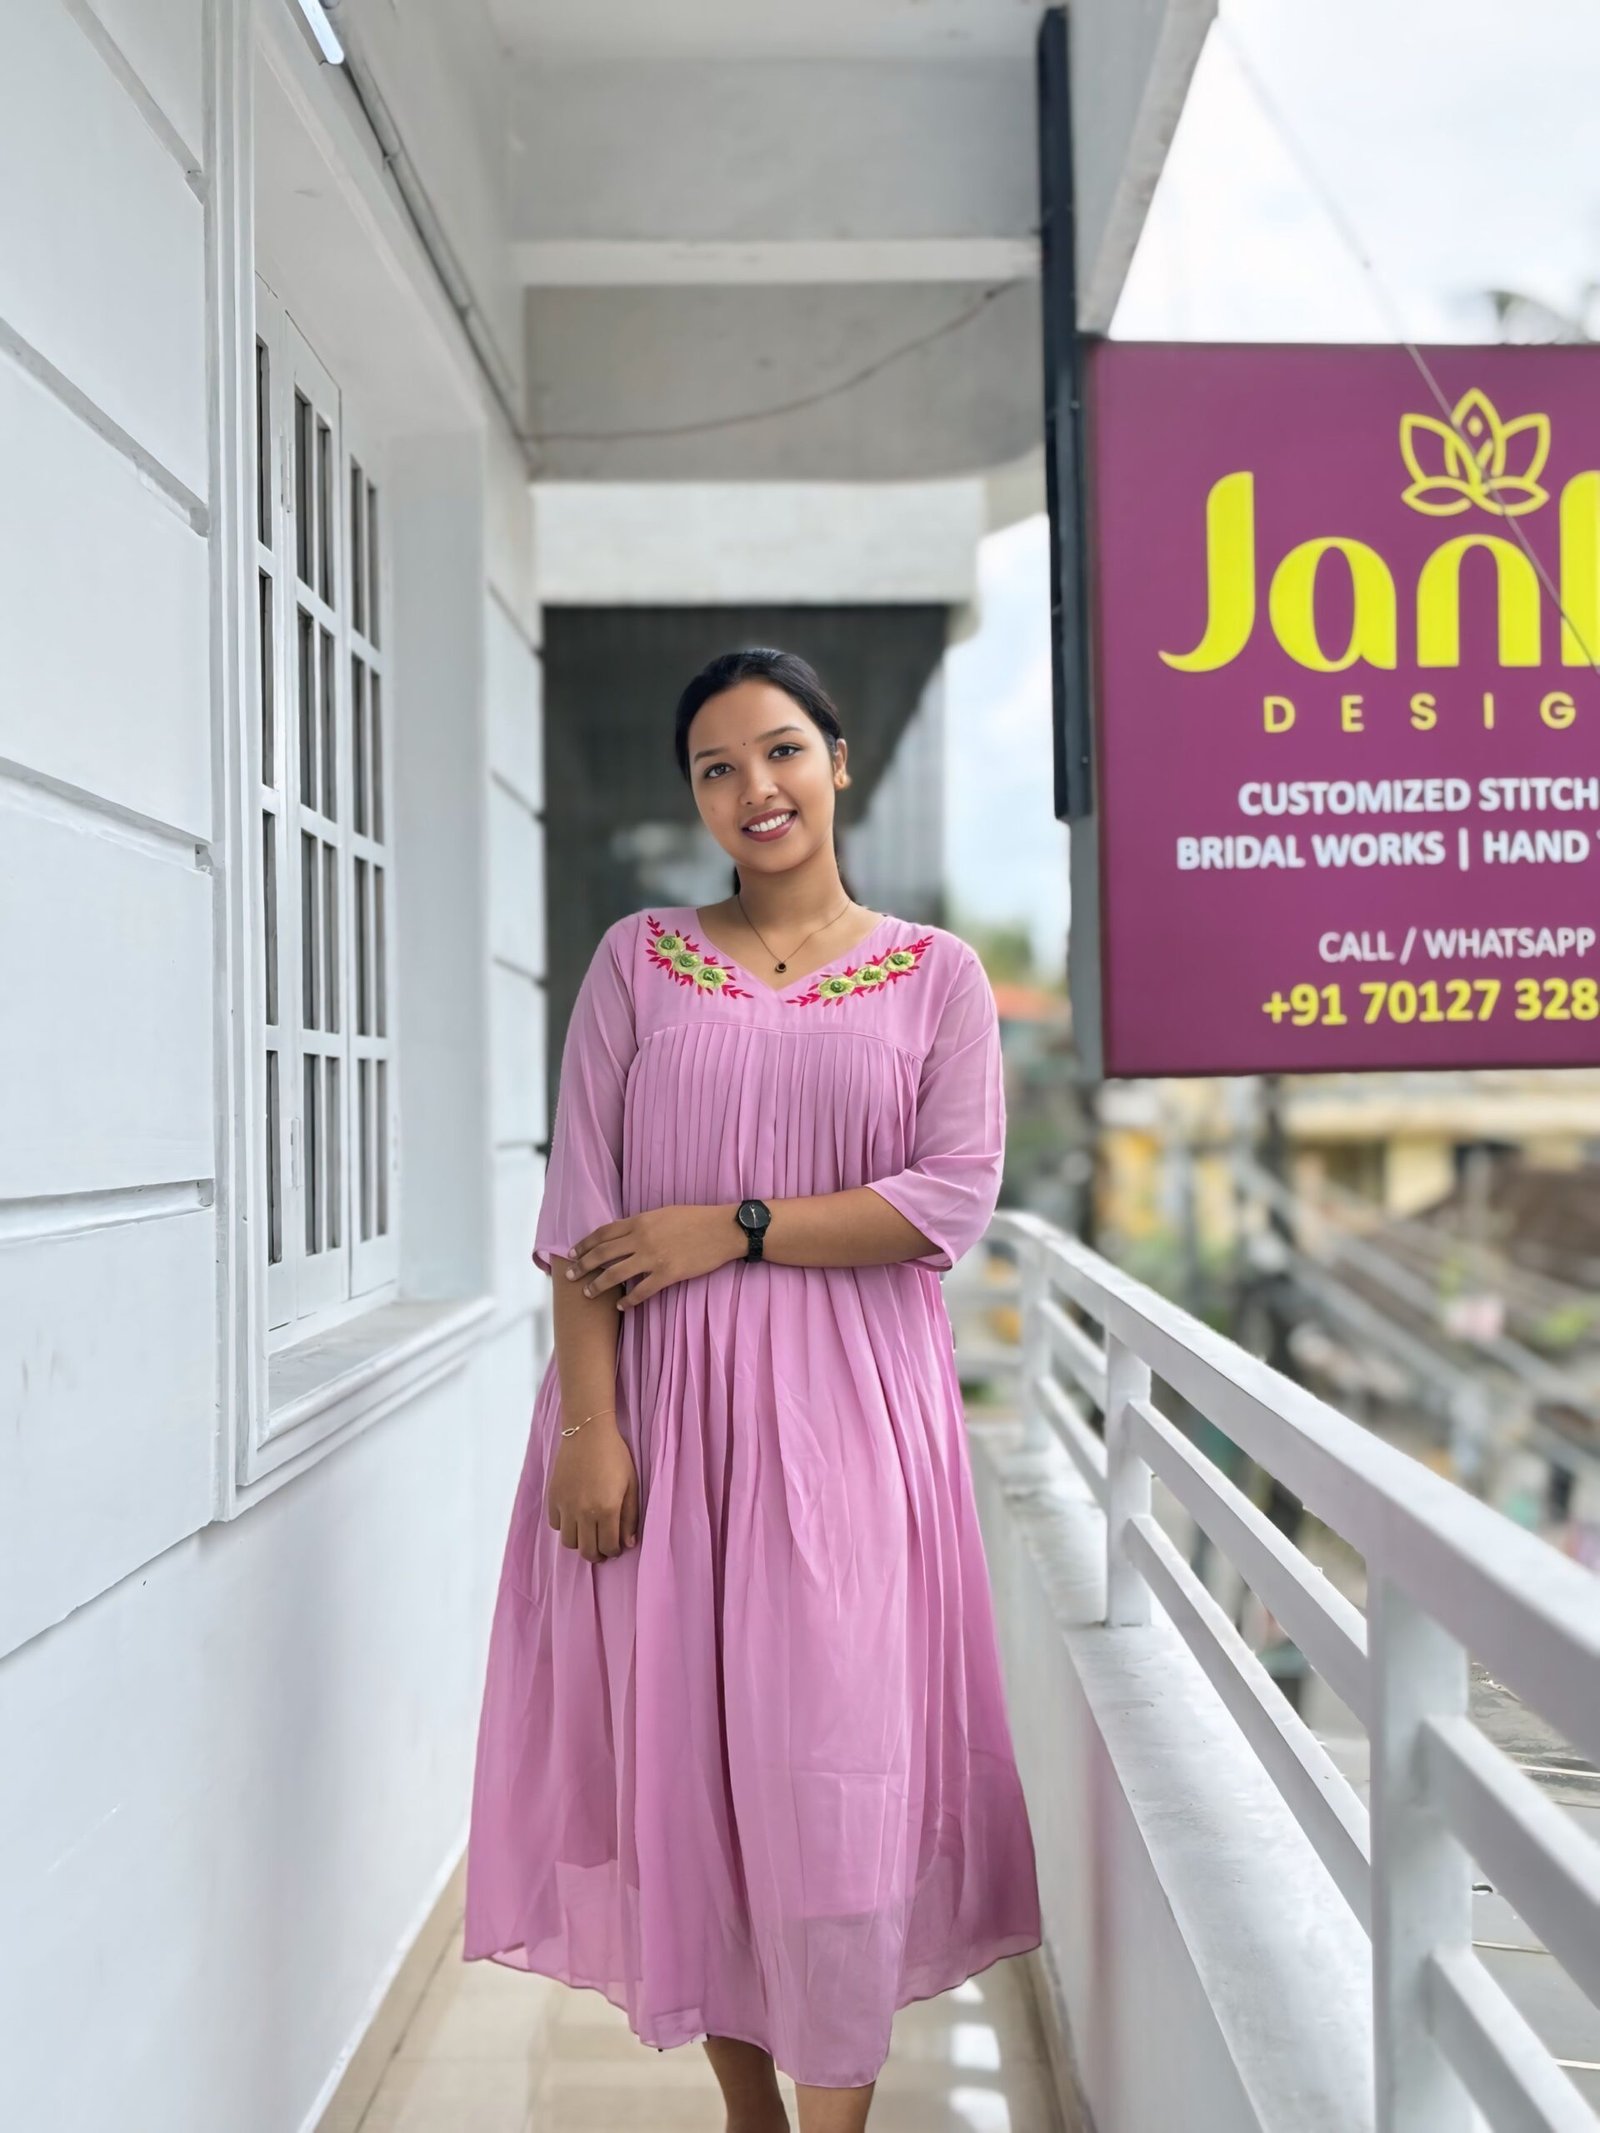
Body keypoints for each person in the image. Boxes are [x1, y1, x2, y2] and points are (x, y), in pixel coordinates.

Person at [463, 647, 1042, 2131]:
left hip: (853, 1430)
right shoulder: (637, 960)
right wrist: (589, 1431)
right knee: (693, 1779)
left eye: (780, 751)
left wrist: (734, 1224)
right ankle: (752, 2109)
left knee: (835, 1784)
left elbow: (948, 1199)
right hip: (656, 1427)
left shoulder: (937, 977)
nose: (754, 789)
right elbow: (582, 1209)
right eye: (717, 768)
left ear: (839, 760)